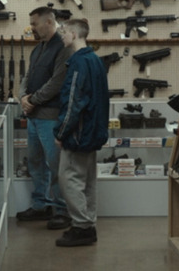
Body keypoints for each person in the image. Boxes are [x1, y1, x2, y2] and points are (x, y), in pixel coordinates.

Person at [53, 19, 110, 247]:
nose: (62, 36)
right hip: (92, 133)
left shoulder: (78, 63)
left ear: (75, 34)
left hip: (78, 134)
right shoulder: (95, 60)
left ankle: (82, 227)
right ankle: (87, 224)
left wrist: (61, 132)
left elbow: (72, 102)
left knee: (69, 180)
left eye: (64, 32)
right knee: (87, 182)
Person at [17, 6, 73, 230]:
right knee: (35, 162)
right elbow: (28, 76)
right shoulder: (38, 48)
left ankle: (62, 210)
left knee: (56, 164)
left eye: (35, 23)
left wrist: (33, 100)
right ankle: (41, 205)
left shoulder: (63, 48)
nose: (31, 27)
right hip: (34, 116)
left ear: (49, 22)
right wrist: (22, 97)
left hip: (50, 116)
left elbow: (58, 82)